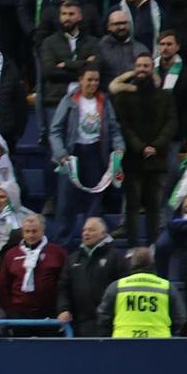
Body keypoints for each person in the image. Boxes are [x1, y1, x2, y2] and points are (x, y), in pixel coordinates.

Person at [45, 66, 125, 245]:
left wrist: (119, 147)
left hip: (96, 154)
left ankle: (93, 244)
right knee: (66, 205)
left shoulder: (104, 101)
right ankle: (61, 246)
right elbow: (55, 130)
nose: (93, 83)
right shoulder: (70, 100)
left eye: (96, 80)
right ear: (80, 80)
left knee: (94, 203)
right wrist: (61, 154)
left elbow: (114, 128)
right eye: (89, 79)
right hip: (72, 157)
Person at [0, 213, 66, 328]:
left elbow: (65, 283)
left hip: (50, 314)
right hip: (19, 315)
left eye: (34, 231)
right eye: (27, 231)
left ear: (43, 231)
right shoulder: (11, 254)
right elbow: (1, 285)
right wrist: (10, 310)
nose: (31, 235)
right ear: (22, 233)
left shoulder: (57, 252)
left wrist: (61, 308)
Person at [54, 216, 126, 337]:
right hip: (79, 324)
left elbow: (124, 288)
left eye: (91, 230)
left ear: (103, 233)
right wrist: (63, 309)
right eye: (84, 230)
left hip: (109, 324)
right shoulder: (73, 259)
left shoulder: (115, 257)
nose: (86, 233)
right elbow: (63, 287)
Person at [98, 247, 182, 337]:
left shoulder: (117, 286)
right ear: (152, 263)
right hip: (159, 344)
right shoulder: (167, 287)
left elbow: (104, 318)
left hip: (123, 343)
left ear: (132, 263)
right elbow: (179, 319)